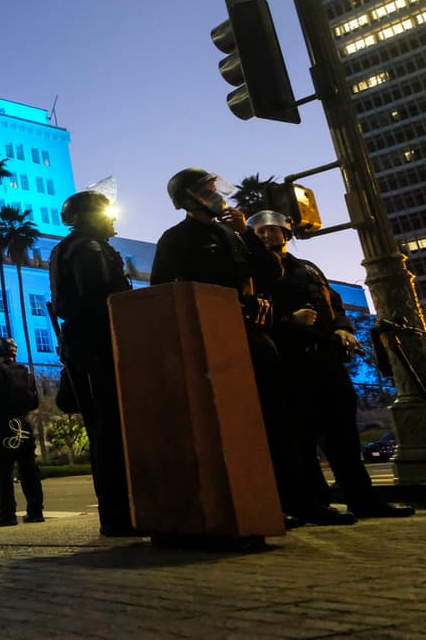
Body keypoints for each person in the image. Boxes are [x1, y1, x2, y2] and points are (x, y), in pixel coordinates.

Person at [151, 168, 352, 527]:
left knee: (278, 422)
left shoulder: (232, 234)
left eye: (214, 188)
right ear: (186, 200)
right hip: (215, 338)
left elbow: (272, 274)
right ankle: (261, 505)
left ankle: (299, 502)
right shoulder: (175, 239)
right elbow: (163, 293)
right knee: (236, 422)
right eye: (205, 191)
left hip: (257, 336)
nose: (215, 195)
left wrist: (246, 233)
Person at [249, 210, 414, 520]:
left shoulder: (308, 268)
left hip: (327, 359)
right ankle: (316, 505)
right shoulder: (256, 272)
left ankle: (363, 500)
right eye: (260, 232)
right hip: (290, 363)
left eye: (272, 229)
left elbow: (334, 303)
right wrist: (288, 321)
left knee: (344, 435)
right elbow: (251, 315)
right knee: (302, 439)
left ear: (286, 232)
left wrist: (343, 328)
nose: (267, 235)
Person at [48, 190, 136, 536]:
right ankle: (119, 514)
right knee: (110, 430)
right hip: (98, 343)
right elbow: (102, 297)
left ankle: (118, 513)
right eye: (105, 214)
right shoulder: (89, 249)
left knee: (104, 430)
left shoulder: (69, 248)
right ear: (88, 217)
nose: (112, 220)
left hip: (84, 345)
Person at [0, 337, 45, 526]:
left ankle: (7, 514)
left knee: (3, 473)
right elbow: (34, 402)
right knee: (29, 470)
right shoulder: (25, 373)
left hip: (3, 428)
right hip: (23, 425)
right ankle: (36, 511)